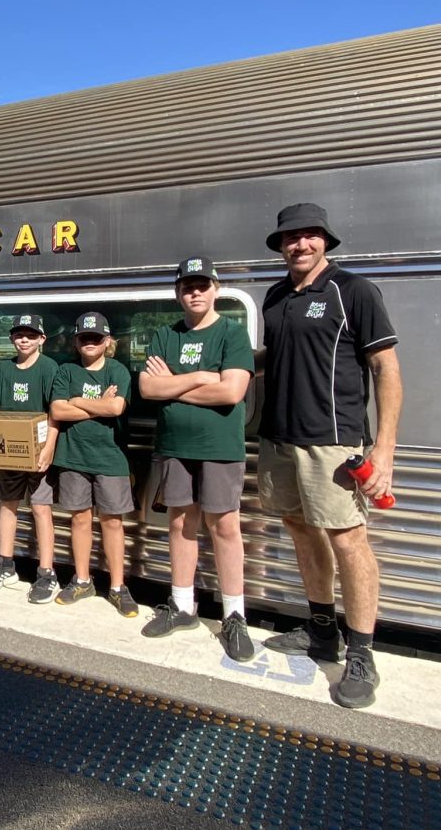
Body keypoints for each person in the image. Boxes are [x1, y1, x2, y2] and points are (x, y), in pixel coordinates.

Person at [257, 203, 402, 709]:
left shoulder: (353, 291)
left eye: (309, 236)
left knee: (349, 540)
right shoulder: (274, 297)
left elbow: (385, 368)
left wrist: (383, 448)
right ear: (279, 245)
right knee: (299, 528)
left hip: (334, 441)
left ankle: (360, 654)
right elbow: (277, 359)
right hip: (279, 437)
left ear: (325, 240)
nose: (300, 245)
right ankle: (321, 630)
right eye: (290, 238)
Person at [137, 257, 255, 661]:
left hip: (220, 448)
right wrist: (201, 377)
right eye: (188, 286)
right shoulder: (164, 335)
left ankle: (234, 616)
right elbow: (148, 389)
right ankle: (183, 605)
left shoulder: (232, 334)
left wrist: (173, 384)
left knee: (225, 527)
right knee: (180, 523)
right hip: (174, 446)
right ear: (177, 292)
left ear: (216, 288)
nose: (195, 292)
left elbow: (231, 393)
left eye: (203, 285)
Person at [49, 312, 138, 616]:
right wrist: (96, 405)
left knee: (112, 522)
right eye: (84, 338)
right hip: (73, 456)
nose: (90, 342)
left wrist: (77, 401)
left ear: (107, 341)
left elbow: (116, 407)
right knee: (80, 519)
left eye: (96, 338)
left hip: (111, 459)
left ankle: (117, 587)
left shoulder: (119, 371)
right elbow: (58, 411)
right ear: (76, 341)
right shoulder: (66, 371)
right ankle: (83, 580)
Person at [0, 314, 61, 603]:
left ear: (41, 339)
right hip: (10, 452)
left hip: (38, 454)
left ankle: (47, 572)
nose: (24, 339)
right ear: (12, 338)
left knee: (40, 508)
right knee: (7, 505)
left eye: (30, 334)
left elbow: (55, 413)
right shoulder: (4, 369)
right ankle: (5, 563)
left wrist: (49, 448)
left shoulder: (50, 369)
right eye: (19, 334)